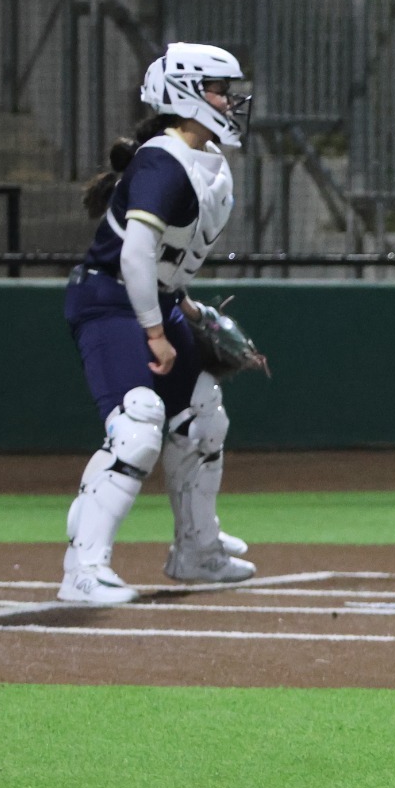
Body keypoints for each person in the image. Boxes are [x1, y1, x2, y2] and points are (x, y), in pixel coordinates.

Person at [59, 43, 260, 604]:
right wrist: (155, 331)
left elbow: (164, 262)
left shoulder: (204, 160)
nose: (230, 99)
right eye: (219, 89)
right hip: (109, 300)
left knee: (203, 416)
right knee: (138, 423)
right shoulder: (162, 159)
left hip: (152, 300)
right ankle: (84, 569)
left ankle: (197, 550)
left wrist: (184, 309)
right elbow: (134, 256)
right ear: (186, 94)